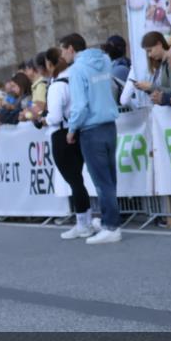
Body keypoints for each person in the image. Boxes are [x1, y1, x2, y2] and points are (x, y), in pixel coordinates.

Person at [62, 33, 121, 245]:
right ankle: (109, 220)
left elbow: (80, 105)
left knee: (101, 180)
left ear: (70, 48)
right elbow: (112, 88)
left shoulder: (77, 70)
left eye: (62, 50)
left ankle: (111, 226)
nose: (62, 54)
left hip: (91, 128)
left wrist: (71, 128)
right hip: (109, 124)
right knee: (110, 178)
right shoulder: (104, 61)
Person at [42, 48, 93, 239]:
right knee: (78, 179)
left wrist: (43, 120)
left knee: (74, 180)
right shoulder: (76, 79)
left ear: (49, 64)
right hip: (77, 130)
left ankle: (82, 223)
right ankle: (85, 220)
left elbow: (54, 116)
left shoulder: (57, 86)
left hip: (62, 133)